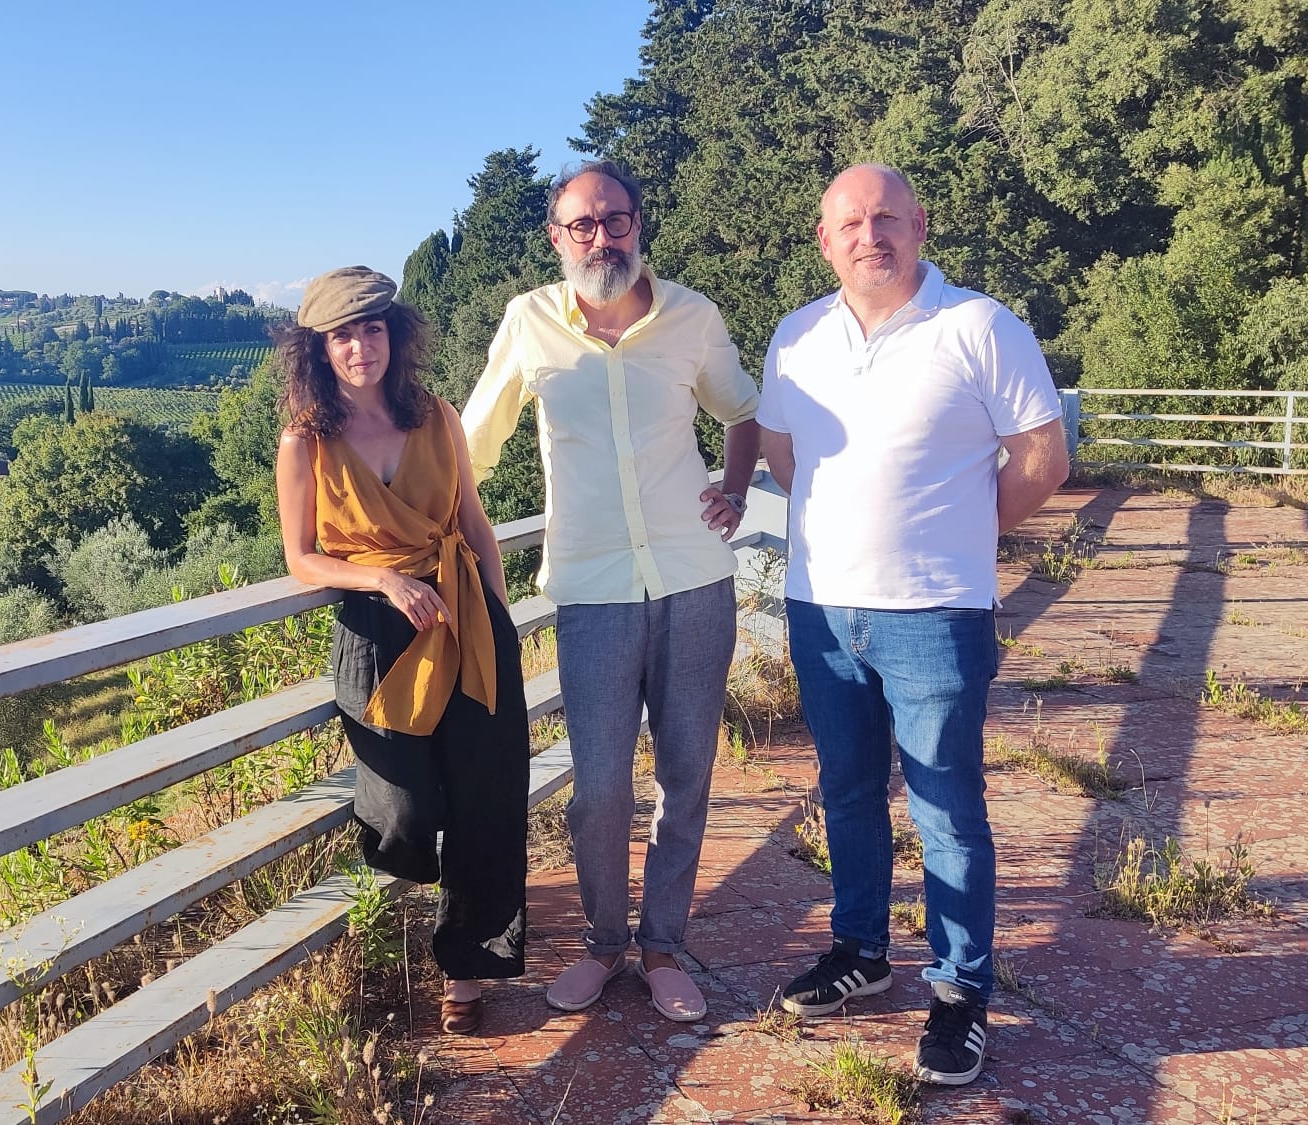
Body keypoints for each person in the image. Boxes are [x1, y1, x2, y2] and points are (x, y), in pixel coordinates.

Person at [758, 164, 1068, 1085]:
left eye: (887, 217)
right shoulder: (797, 335)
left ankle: (961, 991)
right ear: (825, 239)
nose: (870, 235)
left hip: (936, 611)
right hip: (821, 610)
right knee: (846, 792)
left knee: (946, 806)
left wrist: (960, 531)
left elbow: (1042, 457)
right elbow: (779, 457)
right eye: (849, 222)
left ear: (920, 224)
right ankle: (860, 948)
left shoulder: (980, 325)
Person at [462, 161, 761, 1024]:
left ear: (639, 224)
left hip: (693, 576)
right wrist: (433, 534)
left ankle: (662, 945)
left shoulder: (692, 315)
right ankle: (602, 942)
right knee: (597, 786)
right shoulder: (528, 322)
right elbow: (473, 444)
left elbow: (742, 410)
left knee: (686, 772)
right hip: (591, 585)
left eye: (615, 220)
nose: (602, 237)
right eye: (581, 226)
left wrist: (736, 489)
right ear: (557, 239)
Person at [274, 266, 531, 1036]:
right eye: (343, 334)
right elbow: (301, 556)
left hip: (467, 620)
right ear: (319, 348)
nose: (361, 347)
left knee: (487, 802)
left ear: (395, 333)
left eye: (373, 328)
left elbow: (476, 522)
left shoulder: (437, 415)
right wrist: (382, 577)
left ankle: (467, 969)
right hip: (379, 631)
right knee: (405, 807)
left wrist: (499, 614)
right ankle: (416, 904)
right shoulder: (306, 441)